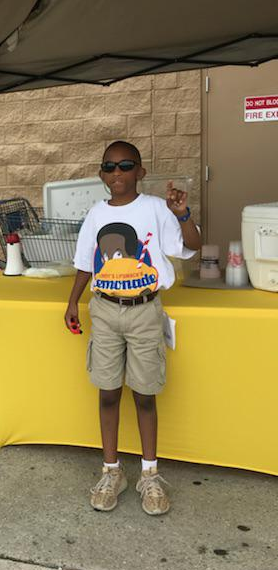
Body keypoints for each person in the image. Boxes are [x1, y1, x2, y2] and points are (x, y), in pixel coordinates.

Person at [65, 141, 201, 515]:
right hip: (105, 311)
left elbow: (192, 245)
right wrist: (73, 300)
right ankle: (112, 471)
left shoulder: (156, 208)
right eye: (109, 166)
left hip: (144, 311)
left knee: (144, 394)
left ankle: (150, 474)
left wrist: (184, 213)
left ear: (140, 172)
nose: (117, 173)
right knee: (108, 391)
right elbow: (84, 263)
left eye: (126, 165)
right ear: (102, 175)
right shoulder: (94, 214)